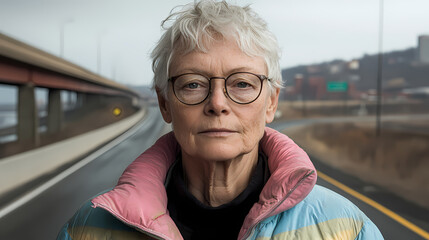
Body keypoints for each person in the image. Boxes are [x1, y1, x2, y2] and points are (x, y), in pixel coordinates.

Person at [57, 1, 383, 239]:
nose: (217, 104)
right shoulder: (90, 228)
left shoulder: (346, 227)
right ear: (164, 103)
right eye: (193, 84)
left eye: (242, 84)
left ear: (271, 102)